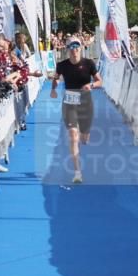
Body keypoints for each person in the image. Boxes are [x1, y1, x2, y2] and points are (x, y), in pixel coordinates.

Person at [50, 39, 102, 184]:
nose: (74, 49)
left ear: (81, 47)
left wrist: (91, 85)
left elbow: (100, 81)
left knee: (84, 138)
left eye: (77, 46)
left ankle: (85, 132)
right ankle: (78, 172)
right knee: (73, 135)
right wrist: (54, 88)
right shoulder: (62, 65)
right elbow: (56, 78)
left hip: (85, 103)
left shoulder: (89, 63)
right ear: (67, 49)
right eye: (71, 46)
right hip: (69, 102)